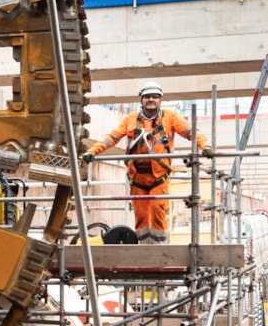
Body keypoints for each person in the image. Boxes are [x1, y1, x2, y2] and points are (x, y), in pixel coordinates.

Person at [89, 82, 213, 242]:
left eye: (155, 97)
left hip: (159, 178)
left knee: (158, 212)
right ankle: (143, 248)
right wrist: (93, 151)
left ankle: (159, 249)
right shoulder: (130, 120)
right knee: (140, 216)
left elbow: (191, 132)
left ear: (160, 99)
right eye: (147, 97)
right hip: (137, 178)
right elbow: (112, 138)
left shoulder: (170, 118)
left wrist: (205, 146)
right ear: (141, 100)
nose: (151, 100)